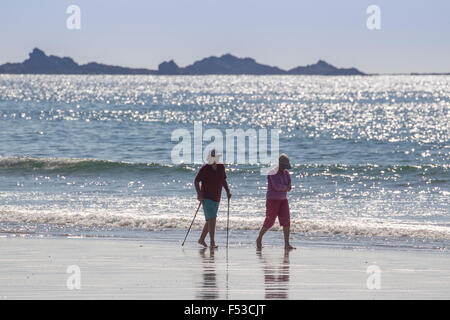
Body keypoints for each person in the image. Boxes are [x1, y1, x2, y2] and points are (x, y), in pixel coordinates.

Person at [256, 153, 295, 250]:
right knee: (270, 221)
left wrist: (288, 187)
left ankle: (287, 244)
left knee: (286, 221)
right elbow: (277, 187)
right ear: (280, 164)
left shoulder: (286, 173)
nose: (285, 168)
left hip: (283, 200)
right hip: (272, 200)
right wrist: (286, 187)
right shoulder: (272, 172)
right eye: (284, 166)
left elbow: (289, 184)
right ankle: (259, 238)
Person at [195, 149, 231, 249]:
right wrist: (199, 194)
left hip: (217, 197)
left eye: (217, 158)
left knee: (210, 219)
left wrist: (228, 191)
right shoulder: (205, 168)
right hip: (206, 197)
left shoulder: (221, 167)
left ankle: (201, 239)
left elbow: (223, 180)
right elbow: (196, 181)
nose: (215, 160)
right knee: (213, 218)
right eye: (213, 158)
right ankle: (212, 242)